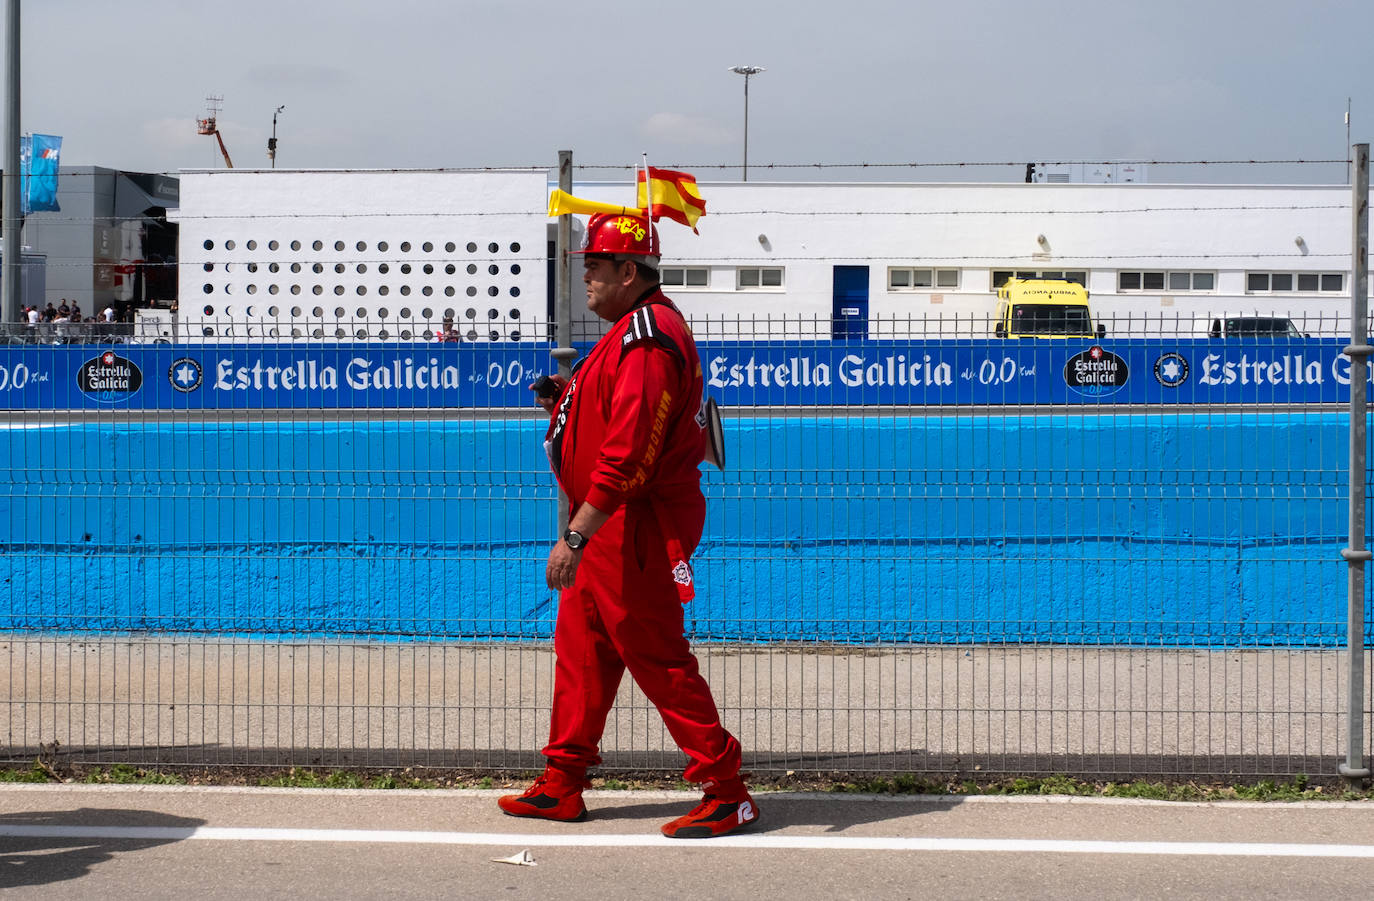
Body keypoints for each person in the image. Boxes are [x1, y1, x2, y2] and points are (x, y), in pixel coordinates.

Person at [498, 212, 758, 839]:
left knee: (656, 656)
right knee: (582, 652)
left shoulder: (646, 337)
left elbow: (630, 452)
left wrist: (576, 535)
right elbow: (617, 417)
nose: (584, 275)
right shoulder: (628, 335)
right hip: (613, 526)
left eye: (594, 265)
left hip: (629, 526)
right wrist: (568, 398)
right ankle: (562, 783)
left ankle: (727, 791)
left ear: (628, 271)